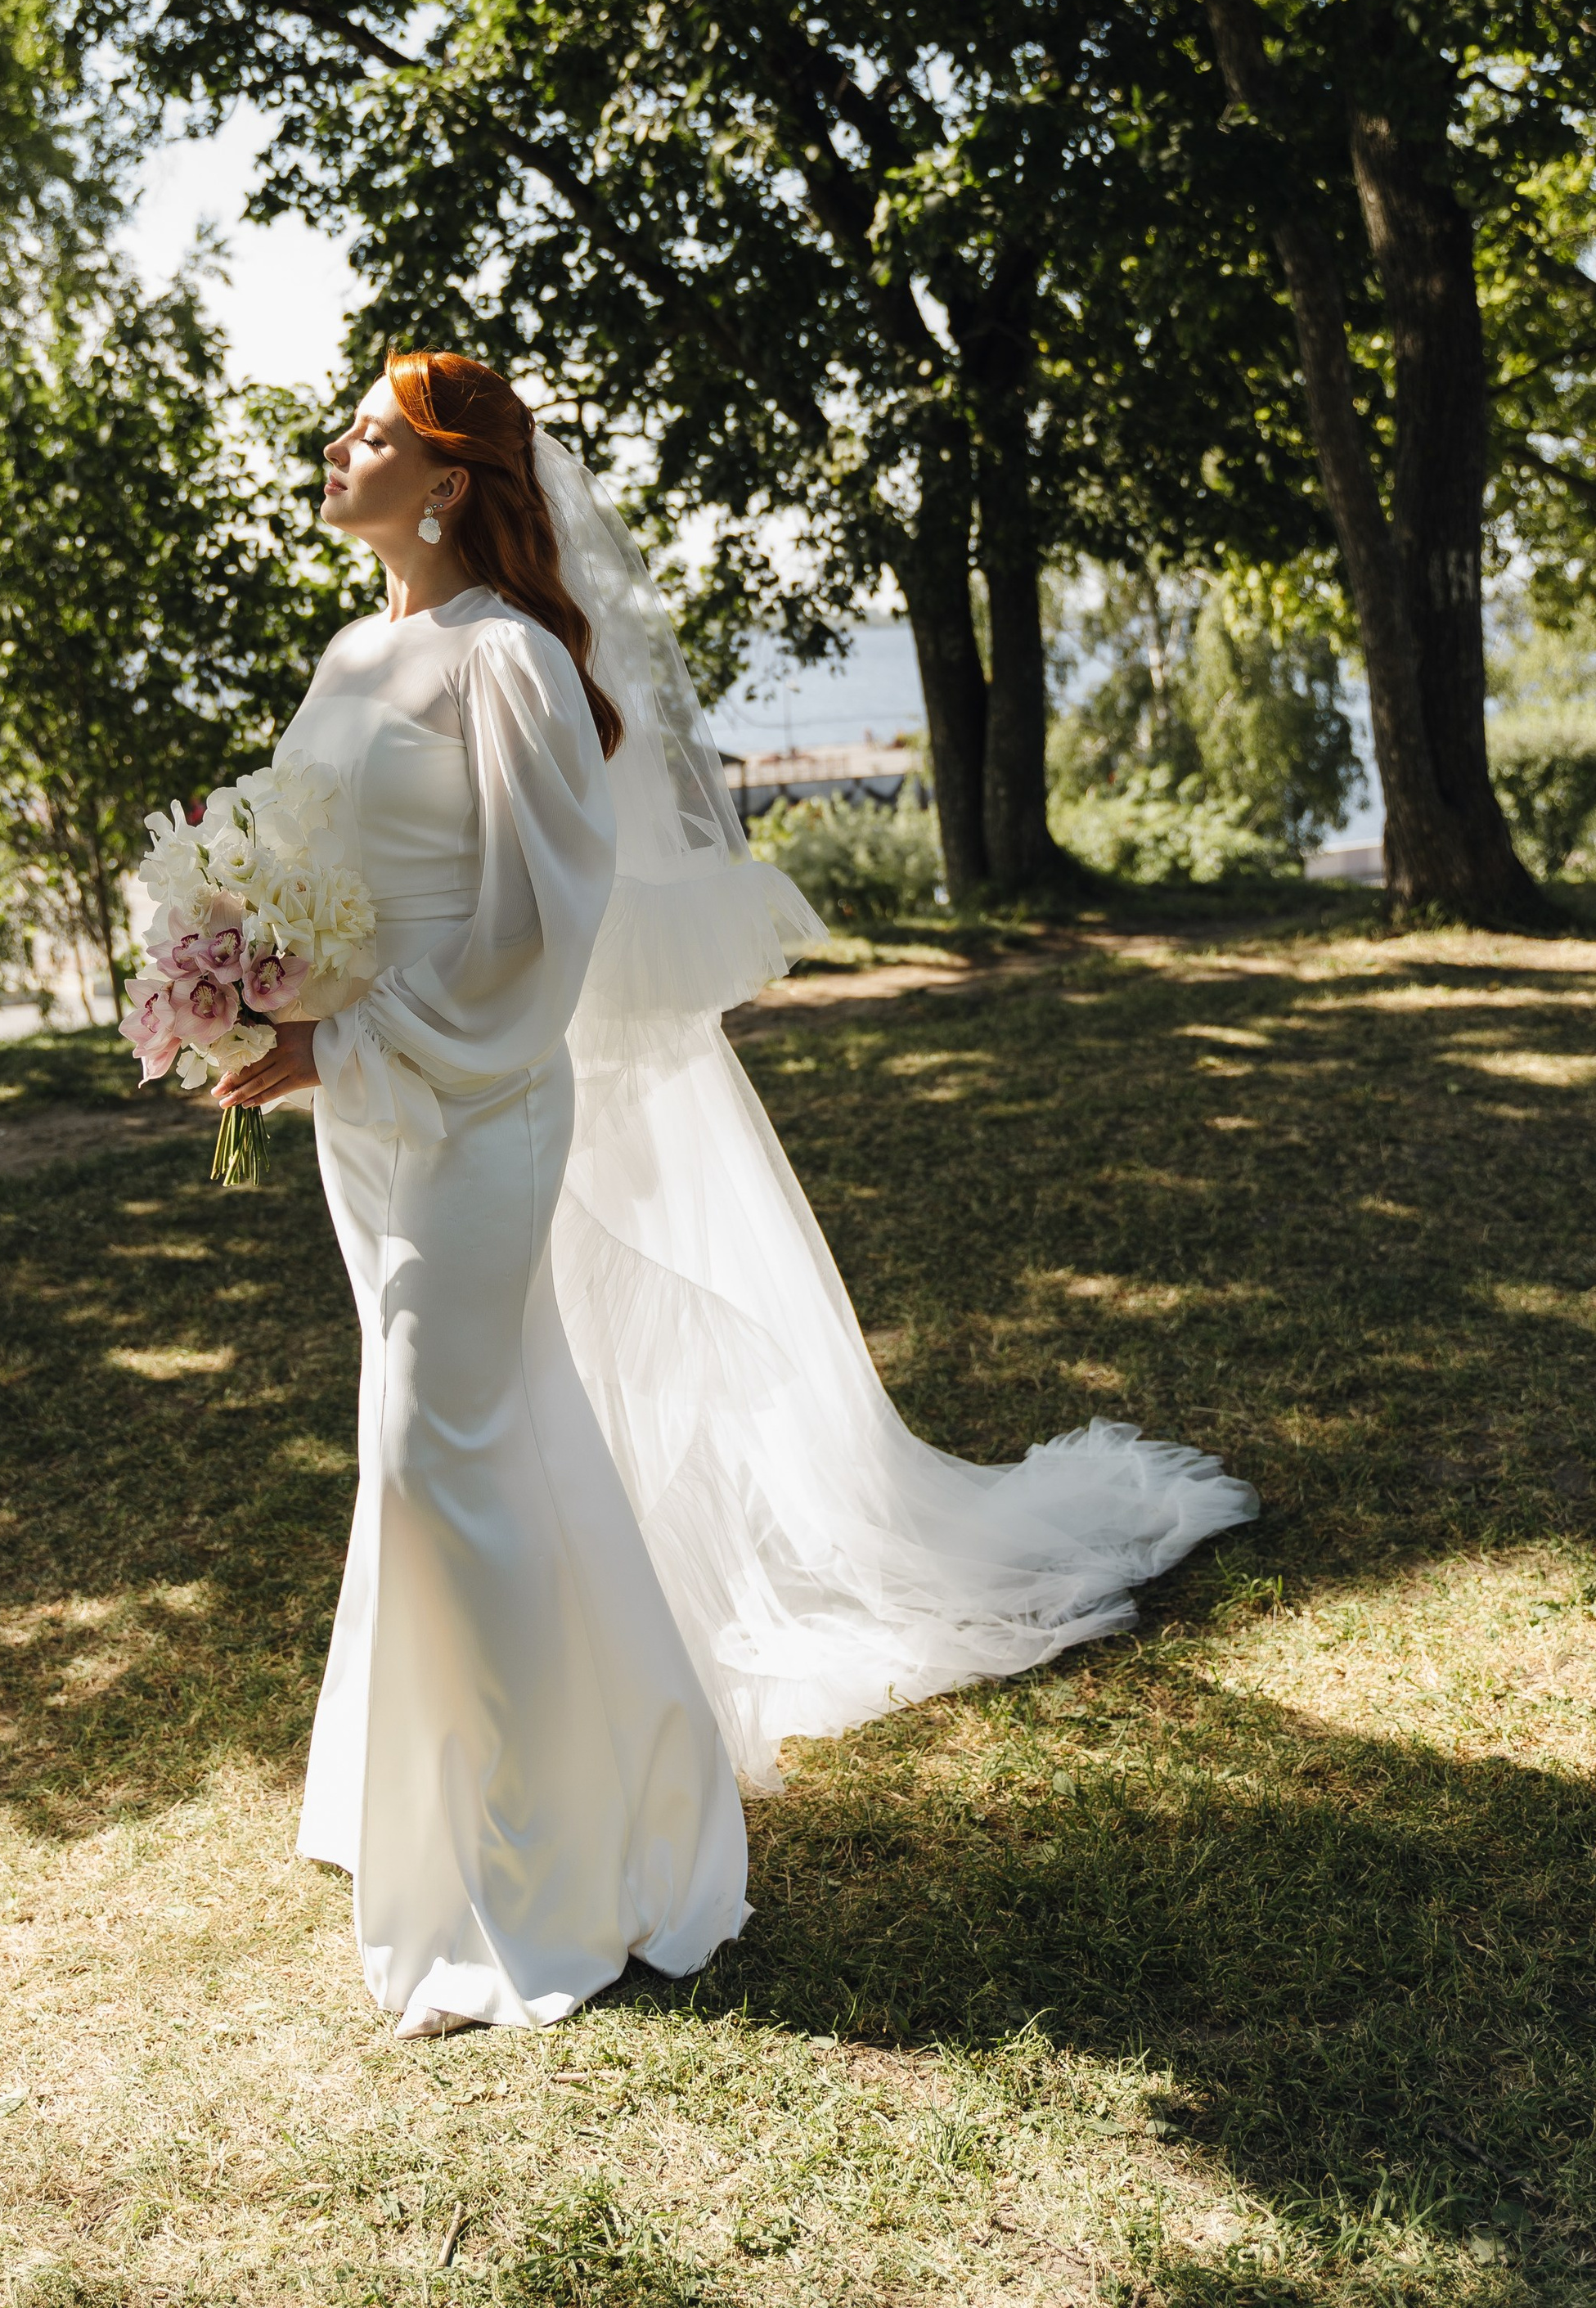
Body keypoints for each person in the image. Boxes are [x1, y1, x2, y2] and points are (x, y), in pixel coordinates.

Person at [218, 352, 1257, 2040]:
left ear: (455, 481)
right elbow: (319, 866)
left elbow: (535, 940)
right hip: (367, 1106)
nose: (333, 451)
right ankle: (432, 1798)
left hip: (473, 1103)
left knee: (444, 1446)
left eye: (372, 437)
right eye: (345, 429)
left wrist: (347, 1044)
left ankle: (565, 1867)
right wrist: (249, 976)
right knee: (464, 1440)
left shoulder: (511, 666)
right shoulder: (353, 653)